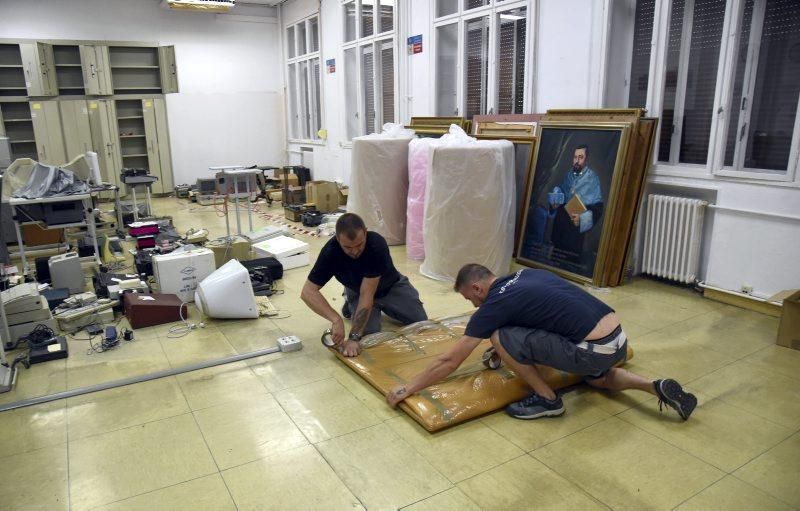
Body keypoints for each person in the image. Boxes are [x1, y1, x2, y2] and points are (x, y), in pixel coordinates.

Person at [387, 264, 697, 421]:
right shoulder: (526, 274)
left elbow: (450, 361)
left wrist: (408, 388)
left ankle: (547, 400)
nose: (473, 307)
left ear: (479, 288)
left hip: (591, 350)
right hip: (617, 341)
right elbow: (540, 313)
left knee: (500, 335)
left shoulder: (493, 304)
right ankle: (653, 386)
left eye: (471, 299)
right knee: (598, 379)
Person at [301, 213, 428, 357]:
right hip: (357, 290)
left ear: (365, 233)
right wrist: (335, 320)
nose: (354, 251)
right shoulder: (331, 252)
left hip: (390, 286)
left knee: (420, 320)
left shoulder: (376, 245)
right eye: (348, 247)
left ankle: (375, 304)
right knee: (369, 335)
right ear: (337, 238)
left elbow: (368, 294)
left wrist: (354, 336)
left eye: (359, 245)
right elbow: (308, 292)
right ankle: (350, 299)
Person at [548, 144, 604, 258]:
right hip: (559, 231)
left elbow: (598, 208)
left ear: (586, 159)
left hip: (574, 235)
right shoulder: (568, 175)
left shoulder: (593, 178)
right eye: (575, 157)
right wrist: (554, 205)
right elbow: (560, 198)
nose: (576, 161)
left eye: (580, 157)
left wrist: (582, 219)